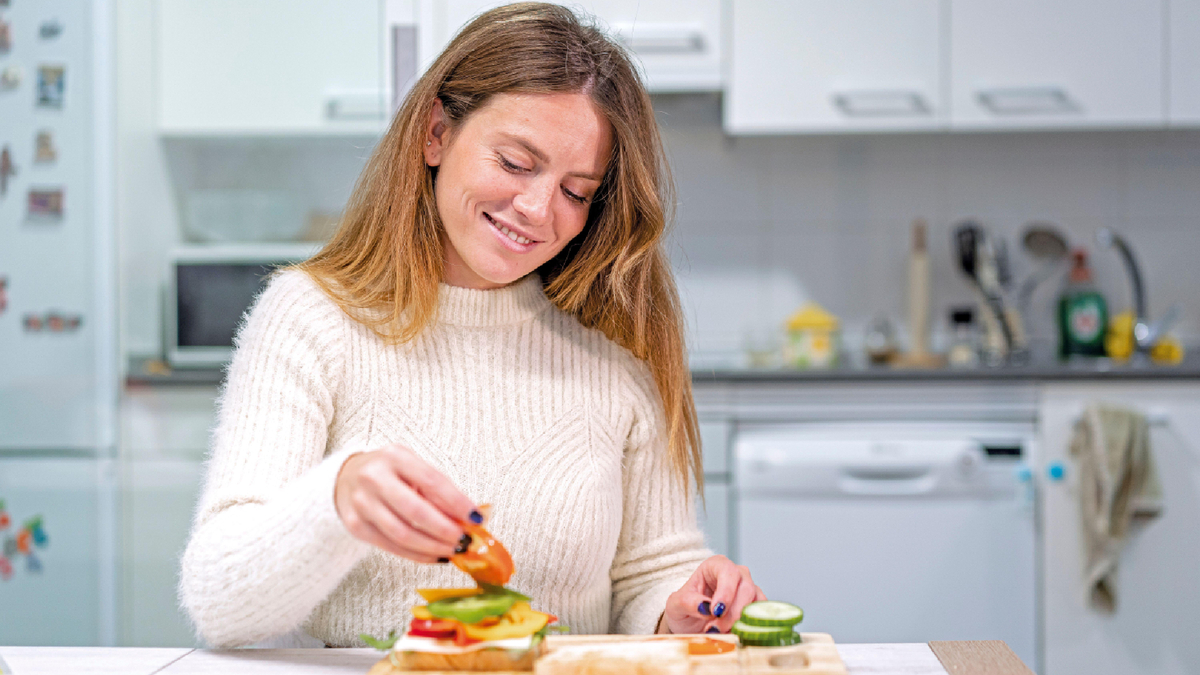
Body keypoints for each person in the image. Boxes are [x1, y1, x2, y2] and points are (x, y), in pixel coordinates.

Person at [179, 2, 763, 648]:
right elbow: (218, 604)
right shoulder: (310, 319)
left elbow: (650, 572)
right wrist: (335, 501)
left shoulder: (615, 354)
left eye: (576, 191)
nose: (539, 209)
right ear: (435, 133)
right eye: (515, 162)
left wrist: (681, 603)